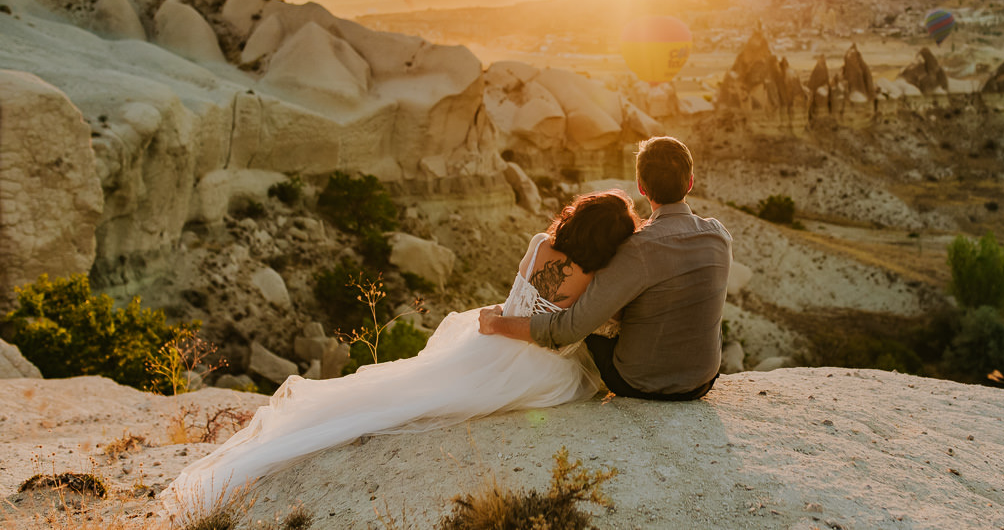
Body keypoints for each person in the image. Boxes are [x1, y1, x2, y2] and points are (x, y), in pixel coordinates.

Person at [161, 189, 640, 518]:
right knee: (420, 403)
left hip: (490, 342)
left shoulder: (540, 244)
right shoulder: (598, 276)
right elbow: (560, 329)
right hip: (540, 367)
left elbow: (517, 297)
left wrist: (497, 319)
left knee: (412, 387)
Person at [480, 136, 732, 401]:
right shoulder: (720, 235)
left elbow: (568, 330)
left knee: (590, 320)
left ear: (641, 187)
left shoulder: (636, 249)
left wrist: (497, 324)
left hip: (639, 383)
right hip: (703, 381)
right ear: (690, 182)